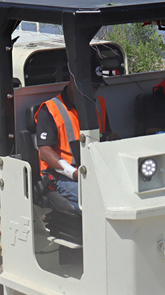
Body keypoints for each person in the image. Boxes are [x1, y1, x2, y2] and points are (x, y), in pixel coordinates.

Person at [34, 65, 117, 214]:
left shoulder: (99, 104)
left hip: (95, 172)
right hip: (62, 177)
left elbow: (104, 136)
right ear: (72, 81)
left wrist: (112, 140)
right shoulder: (50, 109)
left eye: (96, 87)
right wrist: (72, 172)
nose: (93, 91)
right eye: (90, 86)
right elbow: (45, 152)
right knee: (97, 203)